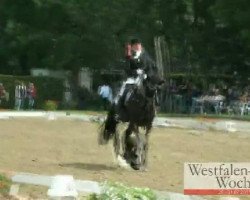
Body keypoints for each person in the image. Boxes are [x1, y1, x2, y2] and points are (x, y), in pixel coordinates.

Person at [114, 38, 161, 114]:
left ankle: (155, 106)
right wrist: (135, 71)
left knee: (153, 88)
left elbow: (153, 66)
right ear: (132, 47)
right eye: (136, 45)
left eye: (139, 45)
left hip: (145, 77)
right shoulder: (129, 56)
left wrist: (147, 73)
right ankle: (120, 110)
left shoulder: (146, 56)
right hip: (132, 78)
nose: (138, 47)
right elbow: (127, 68)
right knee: (124, 91)